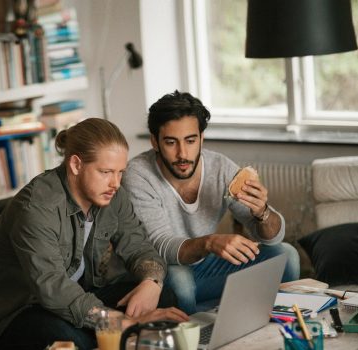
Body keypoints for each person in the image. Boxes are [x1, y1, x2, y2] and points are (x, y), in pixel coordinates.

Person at [0, 118, 188, 349]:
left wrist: (152, 282)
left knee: (164, 297)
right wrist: (123, 323)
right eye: (105, 172)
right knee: (71, 341)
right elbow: (52, 289)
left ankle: (118, 335)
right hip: (22, 310)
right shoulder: (36, 207)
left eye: (120, 172)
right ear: (76, 165)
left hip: (80, 296)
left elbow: (139, 246)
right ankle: (120, 335)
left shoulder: (112, 194)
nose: (115, 183)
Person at [122, 91, 301, 314]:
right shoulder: (138, 175)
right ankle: (196, 336)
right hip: (161, 271)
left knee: (286, 255)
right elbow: (161, 245)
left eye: (190, 140)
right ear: (154, 142)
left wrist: (262, 212)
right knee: (181, 282)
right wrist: (209, 243)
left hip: (206, 268)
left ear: (201, 138)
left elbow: (273, 237)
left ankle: (252, 322)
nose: (182, 154)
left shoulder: (221, 169)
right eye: (171, 142)